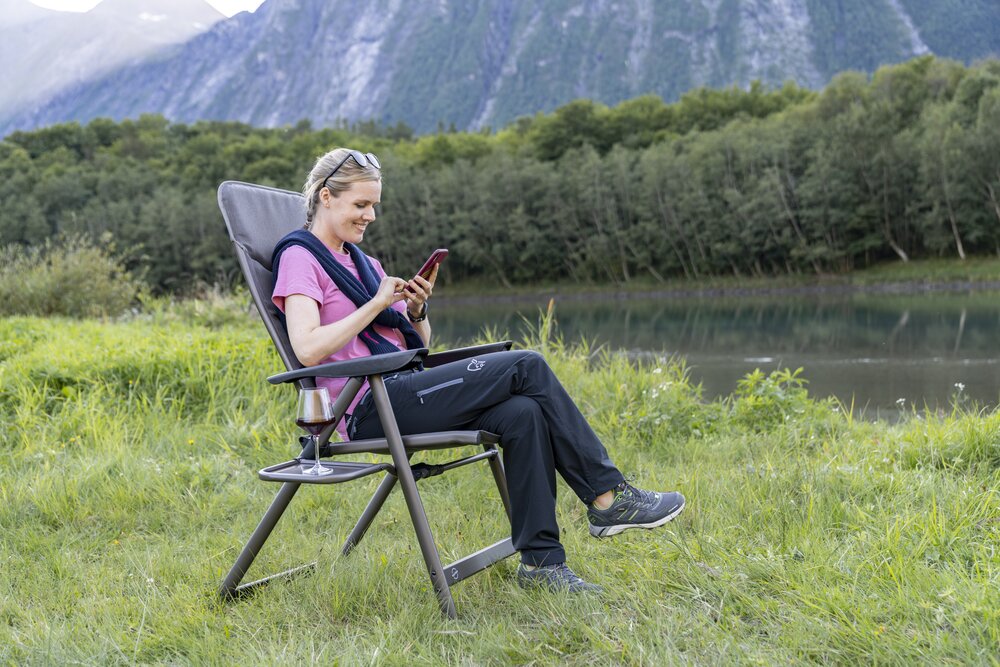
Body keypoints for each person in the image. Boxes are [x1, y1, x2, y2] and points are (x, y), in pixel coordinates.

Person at [271, 148, 685, 593]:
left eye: (374, 205)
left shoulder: (364, 264)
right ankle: (609, 497)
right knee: (528, 365)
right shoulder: (301, 258)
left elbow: (416, 346)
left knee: (523, 413)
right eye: (361, 204)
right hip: (364, 405)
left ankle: (542, 565)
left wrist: (415, 309)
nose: (370, 215)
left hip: (400, 386)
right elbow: (308, 349)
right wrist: (375, 304)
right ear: (327, 196)